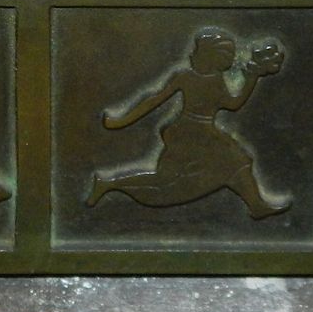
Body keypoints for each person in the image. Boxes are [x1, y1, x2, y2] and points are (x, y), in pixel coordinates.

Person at [87, 29, 291, 219]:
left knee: (236, 161)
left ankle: (255, 205)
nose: (231, 59)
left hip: (203, 131)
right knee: (168, 179)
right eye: (228, 55)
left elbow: (232, 104)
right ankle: (108, 184)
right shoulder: (185, 77)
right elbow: (154, 99)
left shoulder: (216, 79)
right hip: (189, 132)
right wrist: (121, 121)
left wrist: (252, 78)